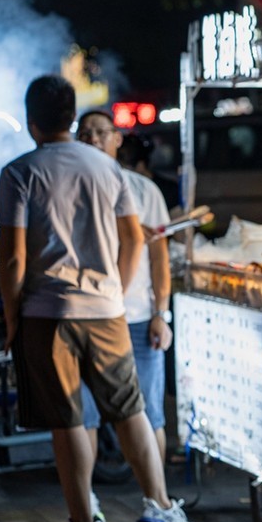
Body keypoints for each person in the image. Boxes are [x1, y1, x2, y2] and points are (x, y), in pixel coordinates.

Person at [0, 75, 203, 522]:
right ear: (73, 117)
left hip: (47, 314)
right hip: (107, 310)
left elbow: (12, 259)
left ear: (31, 123)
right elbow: (135, 239)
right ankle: (160, 506)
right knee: (130, 409)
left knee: (67, 419)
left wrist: (12, 319)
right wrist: (116, 287)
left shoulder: (21, 171)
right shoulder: (109, 169)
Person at [76, 110, 172, 470]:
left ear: (117, 139)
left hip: (136, 317)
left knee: (148, 411)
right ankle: (86, 504)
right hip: (86, 316)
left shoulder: (144, 190)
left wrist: (161, 314)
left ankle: (157, 497)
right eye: (86, 134)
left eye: (102, 133)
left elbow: (160, 259)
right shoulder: (69, 185)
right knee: (83, 416)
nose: (94, 140)